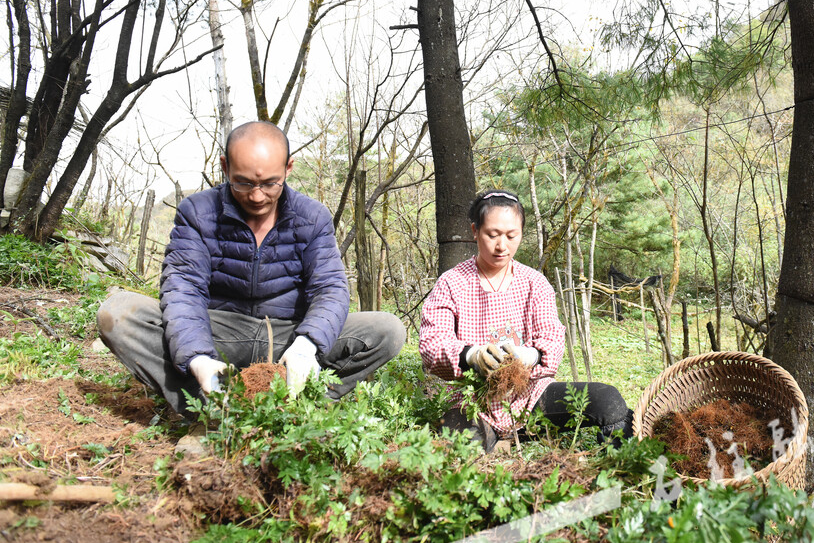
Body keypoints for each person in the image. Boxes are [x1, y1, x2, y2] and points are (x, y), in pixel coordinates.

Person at [98, 121, 405, 416]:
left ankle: (301, 406)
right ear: (225, 167)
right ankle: (209, 404)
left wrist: (307, 345)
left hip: (289, 336)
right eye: (243, 182)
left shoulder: (312, 217)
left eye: (270, 183)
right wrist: (199, 358)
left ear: (288, 168)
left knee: (387, 331)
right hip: (218, 333)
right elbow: (183, 289)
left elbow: (330, 289)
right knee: (118, 314)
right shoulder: (197, 213)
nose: (257, 196)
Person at [419, 189, 632, 452]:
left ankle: (617, 464)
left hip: (531, 397)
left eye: (511, 236)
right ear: (475, 231)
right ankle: (495, 440)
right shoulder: (452, 283)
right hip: (473, 402)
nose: (502, 246)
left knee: (608, 400)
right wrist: (472, 355)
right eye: (492, 235)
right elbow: (431, 345)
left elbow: (552, 342)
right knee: (461, 447)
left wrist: (528, 356)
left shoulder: (534, 283)